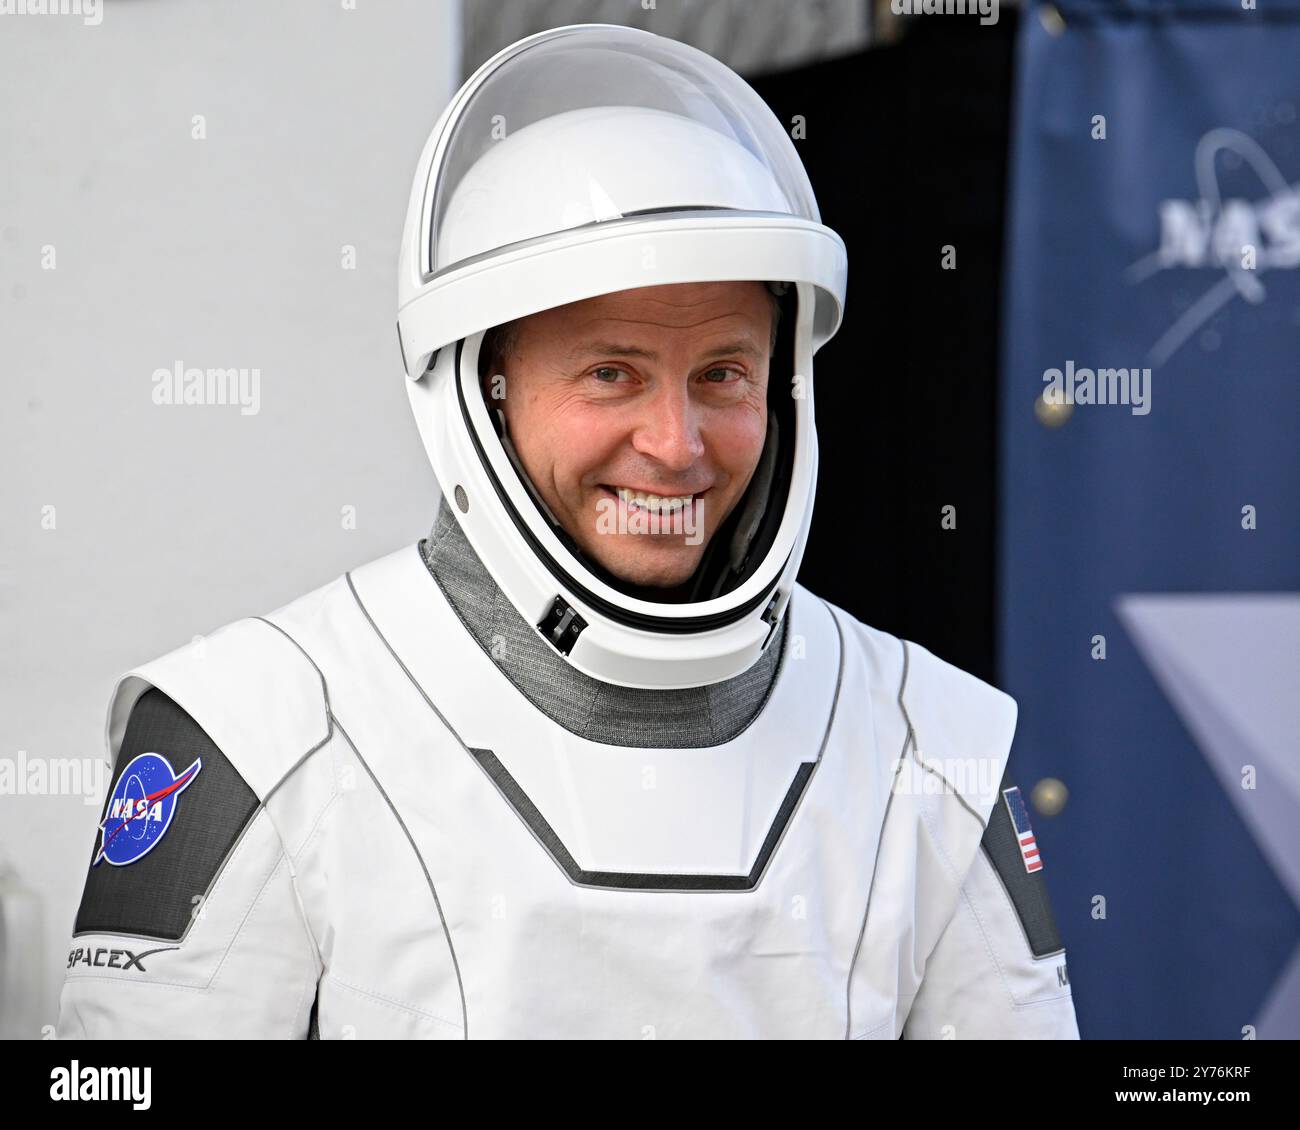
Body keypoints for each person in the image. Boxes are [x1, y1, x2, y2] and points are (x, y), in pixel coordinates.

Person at [56, 24, 1078, 1039]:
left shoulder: (929, 748)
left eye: (722, 373)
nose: (676, 444)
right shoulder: (257, 732)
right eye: (611, 372)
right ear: (481, 389)